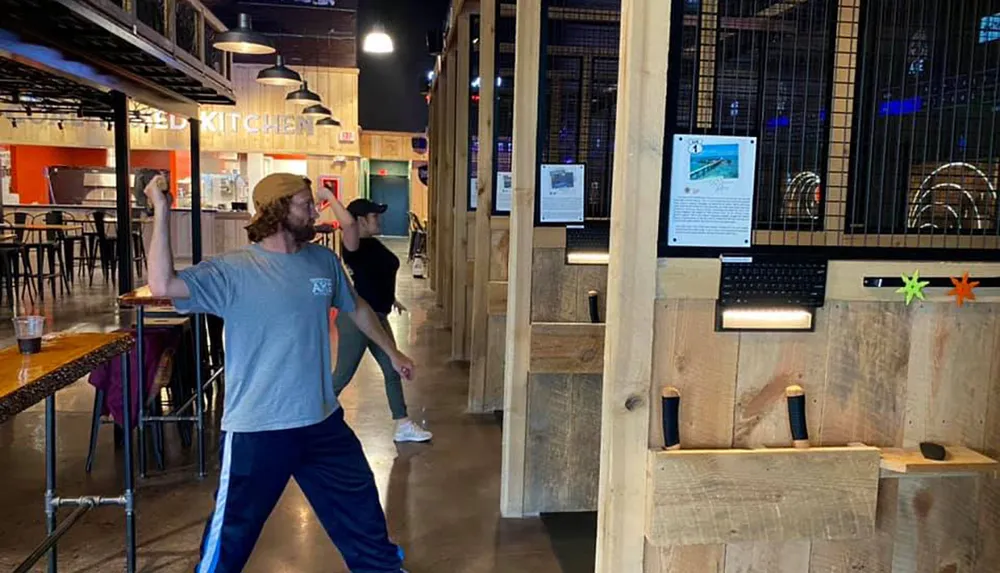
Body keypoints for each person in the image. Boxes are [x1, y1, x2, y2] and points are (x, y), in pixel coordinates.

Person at [143, 172, 413, 573]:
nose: (315, 210)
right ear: (278, 211)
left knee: (361, 512)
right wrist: (161, 211)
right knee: (231, 535)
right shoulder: (233, 271)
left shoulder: (323, 261)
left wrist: (392, 352)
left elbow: (357, 307)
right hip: (258, 429)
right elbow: (162, 283)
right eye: (306, 204)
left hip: (322, 422)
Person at [328, 198, 432, 443]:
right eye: (374, 216)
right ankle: (308, 420)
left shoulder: (373, 245)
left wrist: (392, 298)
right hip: (357, 320)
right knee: (342, 376)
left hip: (378, 315)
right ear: (360, 221)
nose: (380, 219)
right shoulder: (353, 245)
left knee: (392, 367)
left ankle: (403, 423)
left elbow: (375, 276)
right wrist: (328, 196)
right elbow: (348, 226)